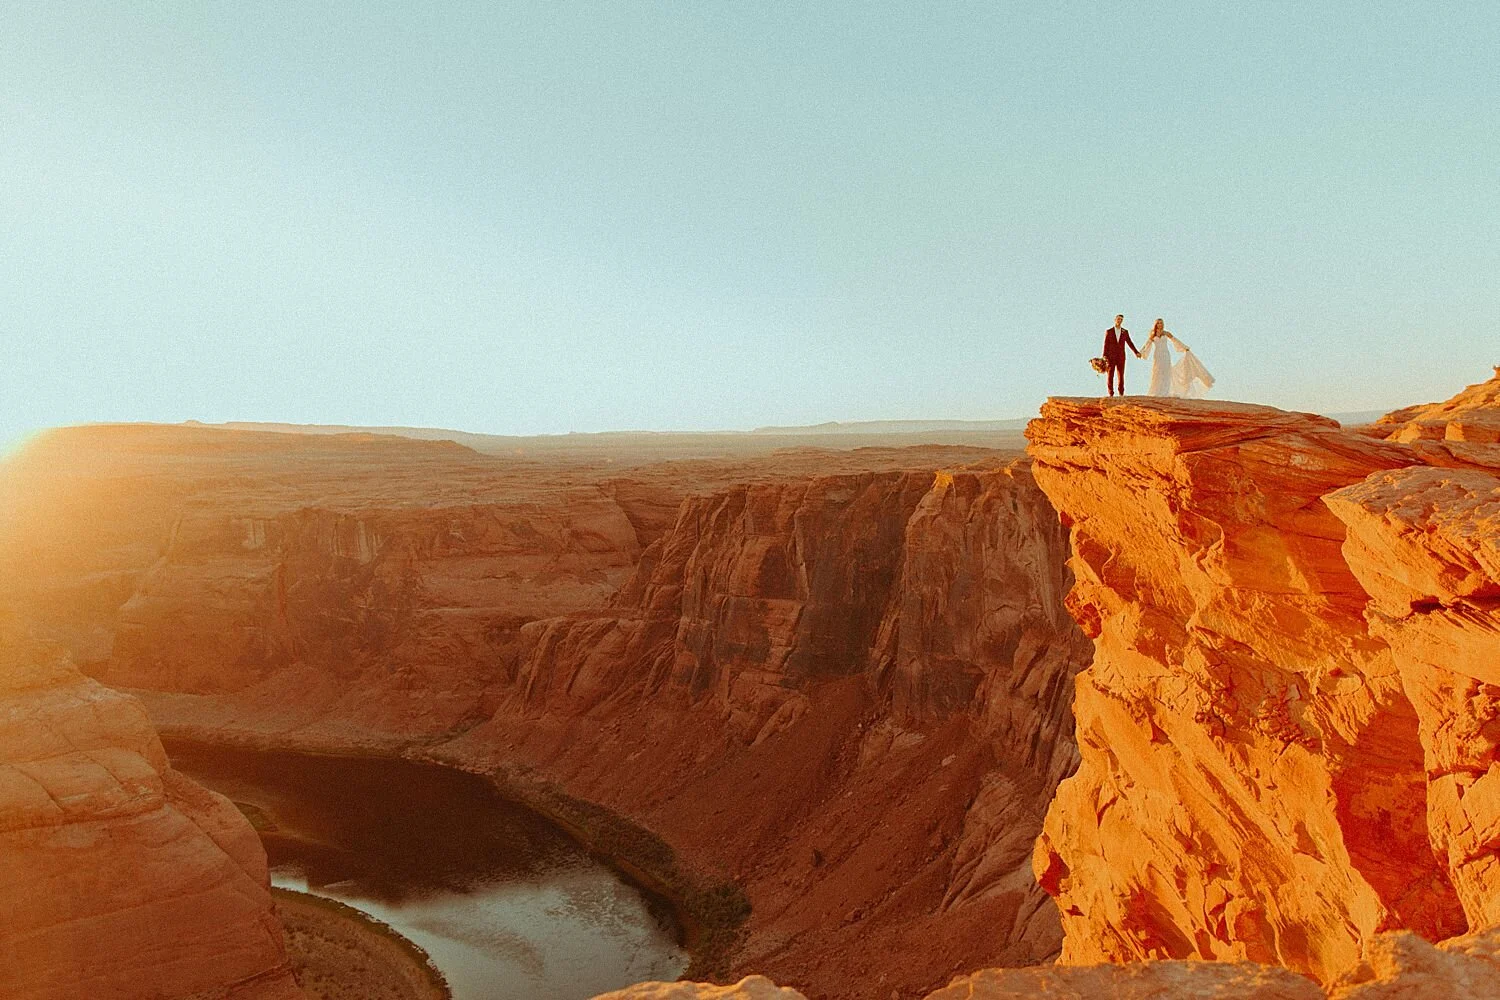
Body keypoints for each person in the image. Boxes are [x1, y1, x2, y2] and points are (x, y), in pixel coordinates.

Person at [1144, 318, 1215, 398]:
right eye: (1158, 323)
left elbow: (1175, 340)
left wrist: (1184, 347)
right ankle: (1156, 390)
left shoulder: (1166, 333)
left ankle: (1165, 391)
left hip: (1165, 355)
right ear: (1156, 324)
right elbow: (1147, 344)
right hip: (1157, 355)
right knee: (1157, 372)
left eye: (1161, 323)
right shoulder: (1153, 334)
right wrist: (1141, 353)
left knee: (1166, 372)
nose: (1160, 325)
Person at [1102, 314, 1141, 397]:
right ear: (1115, 319)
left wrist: (1136, 352)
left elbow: (1130, 343)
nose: (1119, 321)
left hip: (1121, 357)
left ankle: (1121, 393)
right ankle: (1111, 393)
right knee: (1110, 375)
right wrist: (1104, 355)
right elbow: (1106, 344)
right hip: (1111, 357)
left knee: (1121, 375)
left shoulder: (1124, 332)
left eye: (1121, 319)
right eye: (1118, 319)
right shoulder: (1109, 331)